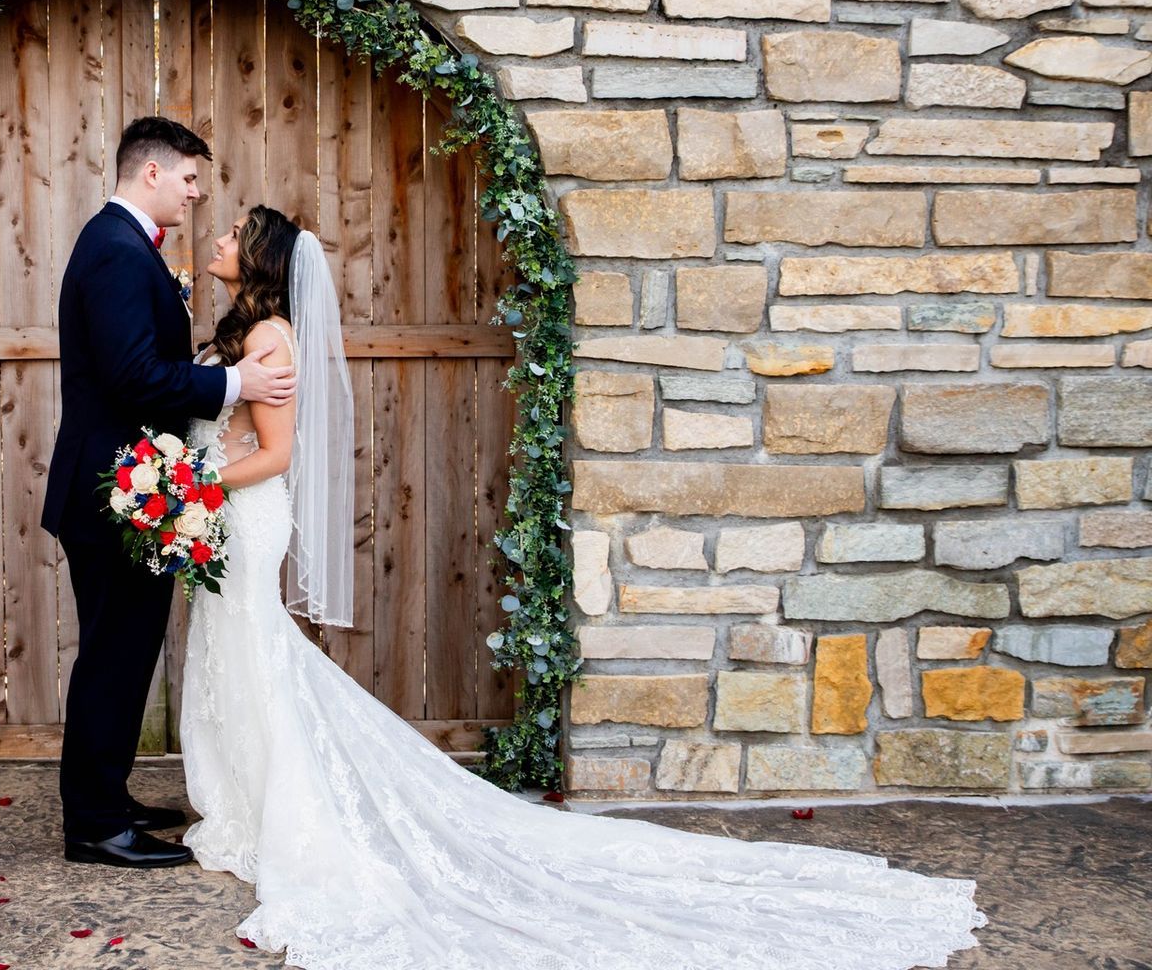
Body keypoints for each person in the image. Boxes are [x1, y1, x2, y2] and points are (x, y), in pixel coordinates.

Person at [176, 202, 990, 970]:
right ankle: (247, 801)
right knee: (243, 654)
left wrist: (197, 491)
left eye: (236, 230)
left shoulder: (271, 341)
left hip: (243, 516)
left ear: (260, 259)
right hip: (228, 512)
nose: (220, 234)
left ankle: (278, 813)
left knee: (253, 652)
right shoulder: (245, 334)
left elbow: (276, 455)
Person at [41, 117, 296, 868]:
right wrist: (234, 382)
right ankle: (93, 825)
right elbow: (132, 376)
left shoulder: (119, 247)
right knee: (114, 656)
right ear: (150, 173)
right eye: (188, 179)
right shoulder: (118, 253)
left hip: (135, 491)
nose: (194, 196)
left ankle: (107, 797)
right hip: (116, 493)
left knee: (123, 651)